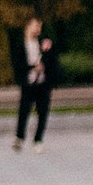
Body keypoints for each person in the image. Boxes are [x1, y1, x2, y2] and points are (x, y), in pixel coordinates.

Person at [14, 16, 57, 150]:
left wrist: (47, 55)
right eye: (35, 26)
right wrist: (33, 67)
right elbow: (18, 64)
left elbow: (52, 60)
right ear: (28, 27)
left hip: (43, 83)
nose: (37, 29)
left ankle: (38, 139)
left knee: (43, 112)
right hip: (28, 83)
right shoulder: (21, 44)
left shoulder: (44, 42)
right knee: (24, 111)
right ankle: (19, 137)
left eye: (39, 26)